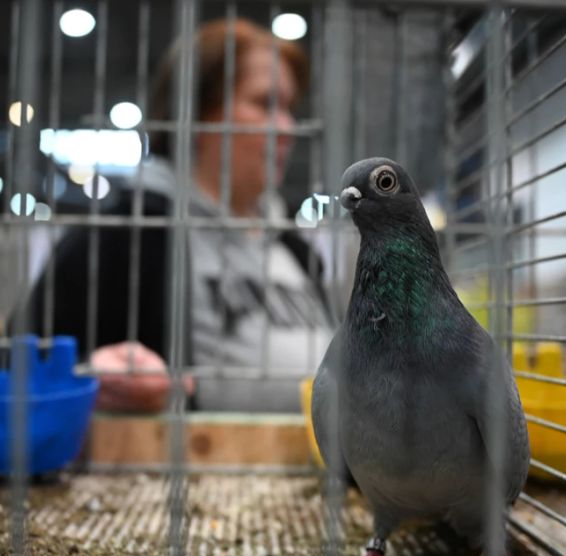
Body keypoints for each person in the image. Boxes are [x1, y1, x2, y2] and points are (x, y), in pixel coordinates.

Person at [19, 18, 334, 412]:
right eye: (264, 104)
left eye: (289, 108)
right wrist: (89, 377)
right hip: (189, 467)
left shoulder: (295, 249)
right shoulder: (123, 238)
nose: (287, 127)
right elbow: (8, 370)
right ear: (198, 115)